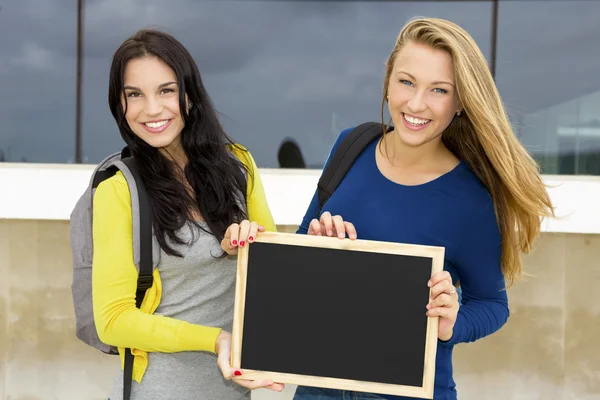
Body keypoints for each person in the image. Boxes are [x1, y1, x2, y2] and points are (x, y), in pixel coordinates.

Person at [293, 17, 554, 400]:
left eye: (439, 90)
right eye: (406, 82)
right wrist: (316, 247)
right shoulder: (351, 146)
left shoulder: (473, 198)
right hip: (319, 389)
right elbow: (297, 253)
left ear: (461, 101)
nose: (416, 104)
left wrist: (452, 323)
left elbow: (492, 305)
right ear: (387, 80)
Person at [92, 29, 283, 399]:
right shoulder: (118, 189)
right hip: (156, 390)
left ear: (189, 94)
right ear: (121, 105)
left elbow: (272, 279)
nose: (151, 109)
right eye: (135, 95)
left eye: (166, 90)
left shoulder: (238, 166)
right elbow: (112, 321)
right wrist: (215, 340)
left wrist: (246, 248)